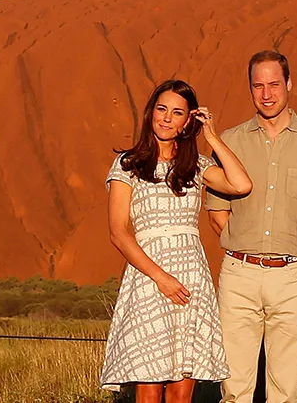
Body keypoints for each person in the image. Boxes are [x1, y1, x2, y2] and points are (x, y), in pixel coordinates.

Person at [206, 51, 297, 403]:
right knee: (234, 388)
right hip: (239, 274)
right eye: (258, 86)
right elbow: (216, 211)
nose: (266, 94)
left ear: (289, 85)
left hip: (294, 277)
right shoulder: (230, 141)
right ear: (250, 89)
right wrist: (242, 244)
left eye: (274, 84)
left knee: (285, 391)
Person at [100, 79, 252, 403]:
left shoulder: (197, 167)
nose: (167, 118)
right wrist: (161, 278)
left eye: (177, 113)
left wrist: (211, 136)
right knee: (150, 386)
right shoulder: (128, 165)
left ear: (187, 122)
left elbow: (241, 185)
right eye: (162, 109)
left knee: (183, 390)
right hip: (149, 280)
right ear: (151, 113)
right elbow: (117, 231)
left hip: (191, 280)